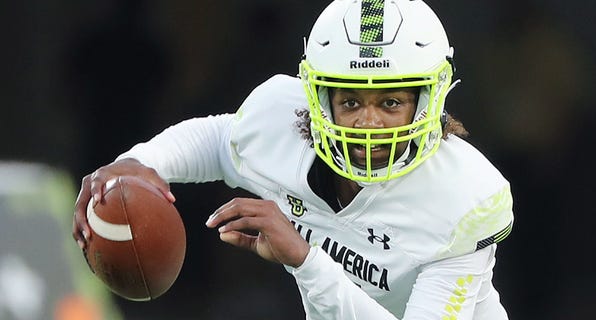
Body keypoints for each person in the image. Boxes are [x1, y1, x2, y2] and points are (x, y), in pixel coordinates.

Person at [72, 0, 514, 319]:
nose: (370, 122)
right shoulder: (282, 126)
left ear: (428, 101)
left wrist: (305, 259)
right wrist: (139, 163)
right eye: (352, 102)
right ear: (319, 100)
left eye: (392, 102)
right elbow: (220, 139)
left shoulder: (463, 198)